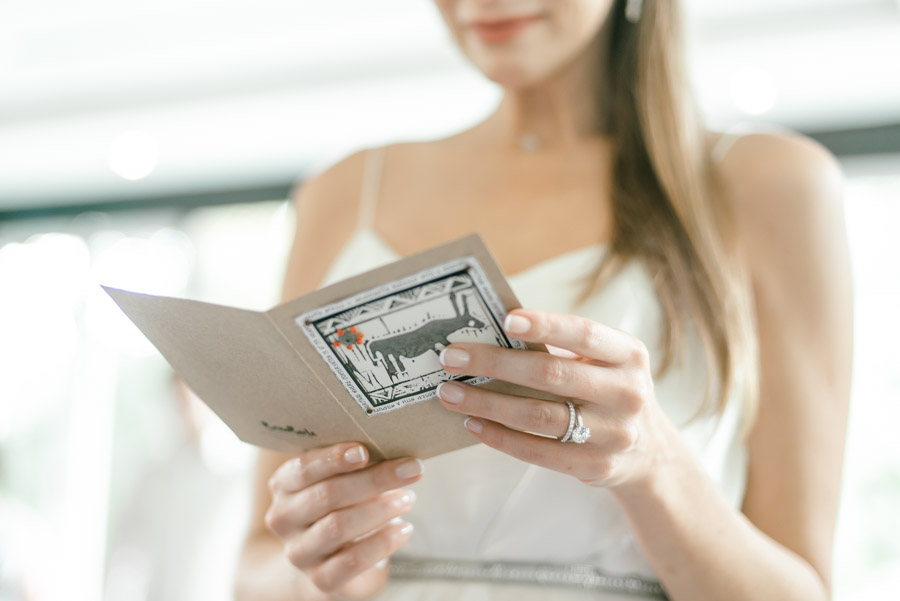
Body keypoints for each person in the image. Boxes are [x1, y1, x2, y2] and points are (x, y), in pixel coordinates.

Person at [235, 1, 853, 599]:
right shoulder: (343, 193)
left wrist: (656, 466)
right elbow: (253, 568)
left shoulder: (768, 183)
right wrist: (316, 575)